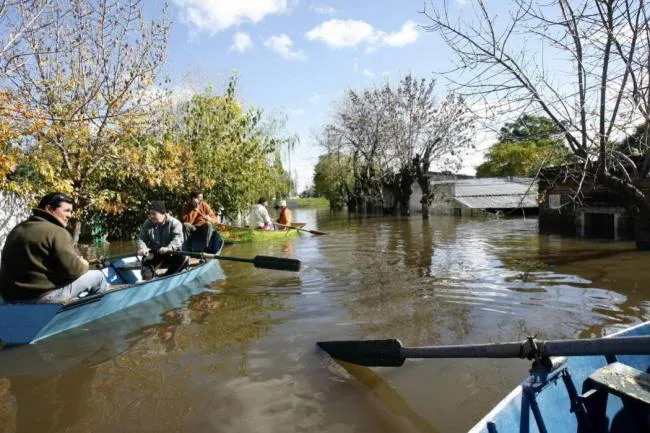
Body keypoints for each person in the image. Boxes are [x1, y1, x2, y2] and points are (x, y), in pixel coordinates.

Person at [0, 192, 108, 303]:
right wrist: (84, 264)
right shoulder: (57, 232)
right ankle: (91, 313)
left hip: (9, 298)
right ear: (49, 209)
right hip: (42, 298)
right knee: (98, 277)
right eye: (66, 210)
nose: (70, 215)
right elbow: (74, 271)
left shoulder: (17, 230)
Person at [136, 201, 187, 281]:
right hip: (156, 252)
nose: (151, 216)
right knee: (146, 259)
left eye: (154, 214)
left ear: (163, 213)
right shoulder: (147, 224)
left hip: (171, 253)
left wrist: (169, 248)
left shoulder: (175, 223)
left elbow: (178, 239)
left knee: (183, 258)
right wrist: (142, 248)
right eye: (150, 214)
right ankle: (147, 281)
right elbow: (141, 239)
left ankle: (166, 278)